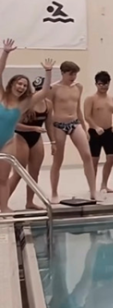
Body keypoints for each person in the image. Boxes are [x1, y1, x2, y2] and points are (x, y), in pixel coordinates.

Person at [0, 40, 54, 213]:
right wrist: (6, 53)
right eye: (19, 83)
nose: (22, 87)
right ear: (12, 84)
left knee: (2, 178)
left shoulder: (23, 104)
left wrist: (48, 71)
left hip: (7, 143)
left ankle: (3, 207)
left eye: (24, 85)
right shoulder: (2, 95)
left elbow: (45, 92)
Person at [48, 60, 98, 203]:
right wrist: (51, 137)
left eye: (75, 74)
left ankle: (93, 191)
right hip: (59, 125)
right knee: (58, 160)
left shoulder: (78, 87)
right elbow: (49, 113)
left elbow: (78, 109)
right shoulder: (54, 89)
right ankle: (54, 192)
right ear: (63, 73)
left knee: (87, 155)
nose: (73, 77)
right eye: (70, 74)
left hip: (75, 123)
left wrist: (84, 126)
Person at [9, 76, 53, 211]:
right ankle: (2, 202)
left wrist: (53, 142)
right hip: (20, 136)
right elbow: (15, 125)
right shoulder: (27, 103)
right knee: (19, 172)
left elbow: (49, 124)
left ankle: (30, 202)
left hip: (36, 138)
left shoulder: (48, 104)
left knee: (34, 172)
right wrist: (33, 128)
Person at [84, 71, 113, 194]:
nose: (103, 87)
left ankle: (104, 184)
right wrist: (95, 127)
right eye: (101, 84)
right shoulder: (91, 99)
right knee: (94, 160)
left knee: (111, 158)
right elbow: (87, 116)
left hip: (109, 132)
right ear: (96, 84)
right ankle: (92, 186)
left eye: (106, 84)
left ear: (109, 83)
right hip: (95, 133)